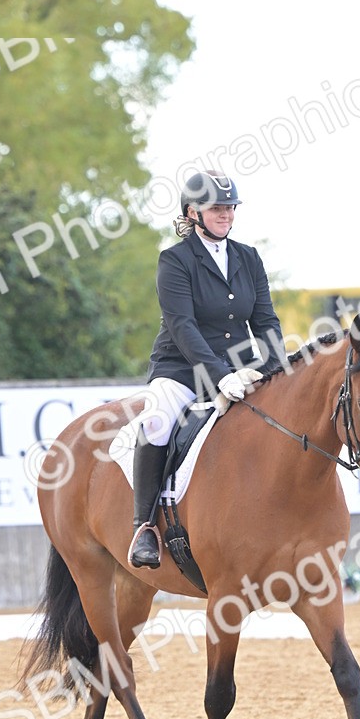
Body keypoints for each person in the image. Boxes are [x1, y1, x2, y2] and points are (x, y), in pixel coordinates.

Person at [128, 169, 285, 570]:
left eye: (230, 207)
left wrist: (273, 367)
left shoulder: (248, 258)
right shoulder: (175, 261)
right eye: (217, 208)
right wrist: (221, 376)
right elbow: (183, 327)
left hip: (241, 368)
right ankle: (144, 526)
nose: (227, 214)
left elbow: (265, 321)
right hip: (182, 368)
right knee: (158, 420)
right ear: (192, 212)